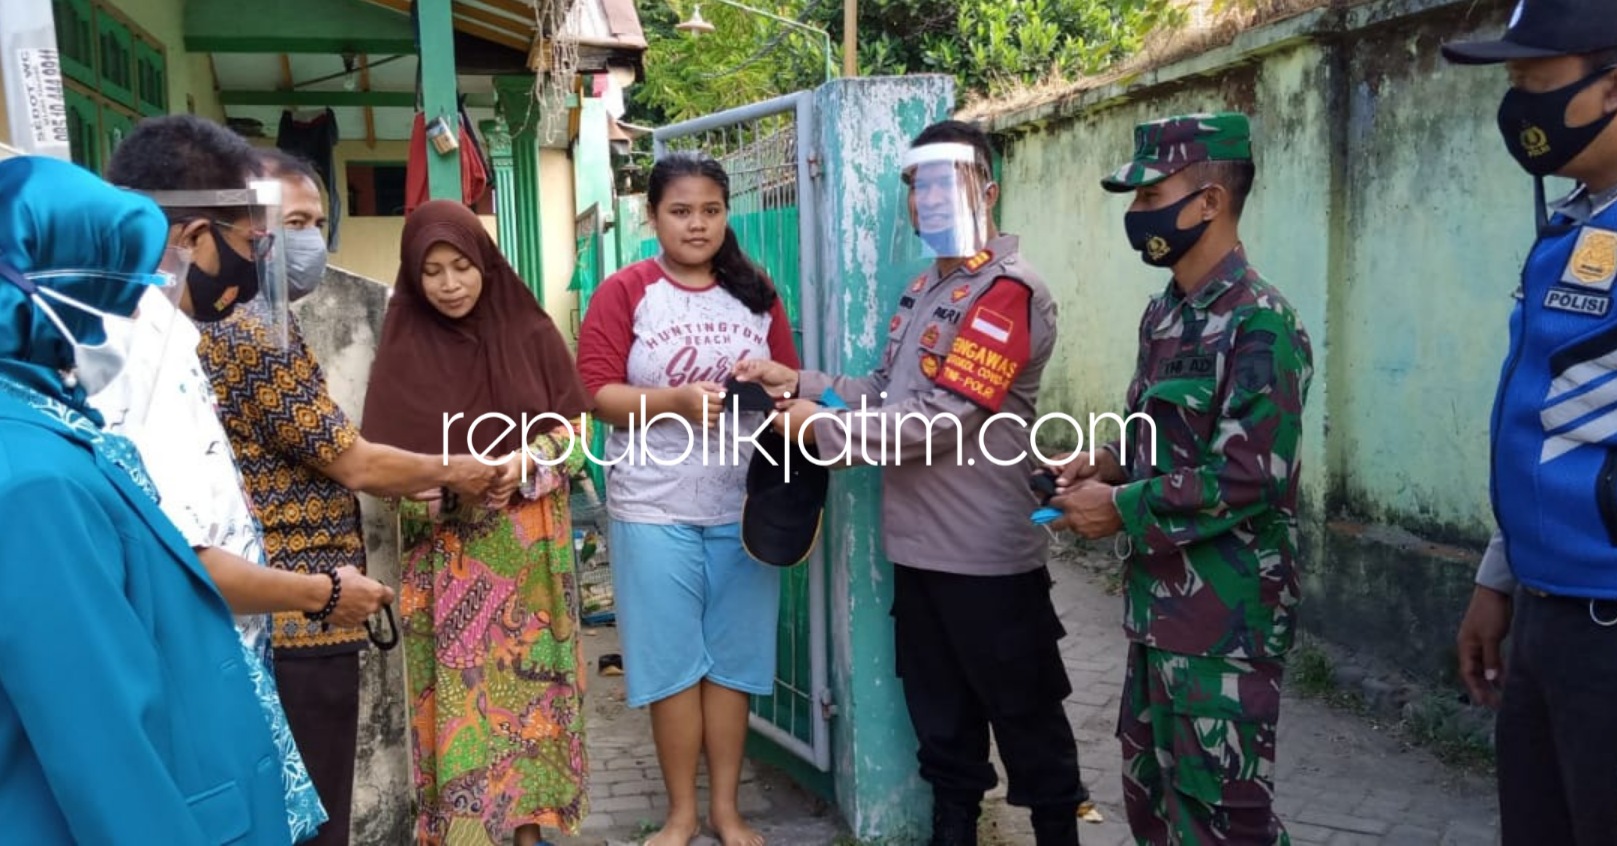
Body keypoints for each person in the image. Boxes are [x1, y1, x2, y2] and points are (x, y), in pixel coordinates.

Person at [104, 114, 510, 846]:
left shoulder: (183, 334)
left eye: (313, 225)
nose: (289, 247)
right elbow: (350, 462)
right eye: (270, 231)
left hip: (255, 618)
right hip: (286, 618)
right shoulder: (229, 336)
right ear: (194, 234)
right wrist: (453, 474)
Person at [735, 120, 1083, 846]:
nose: (927, 201)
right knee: (942, 725)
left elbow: (942, 417)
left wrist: (817, 430)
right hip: (918, 550)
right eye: (917, 188)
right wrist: (798, 382)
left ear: (988, 191)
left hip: (985, 555)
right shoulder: (925, 288)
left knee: (1026, 720)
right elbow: (880, 392)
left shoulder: (1007, 292)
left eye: (945, 185)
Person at [93, 120, 390, 845]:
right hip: (197, 668)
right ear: (195, 237)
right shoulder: (142, 363)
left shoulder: (165, 339)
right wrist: (324, 593)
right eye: (256, 242)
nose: (265, 261)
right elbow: (183, 562)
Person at [0, 154, 295, 844]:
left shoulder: (49, 429)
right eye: (121, 292)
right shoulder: (33, 482)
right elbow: (103, 748)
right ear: (52, 289)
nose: (140, 314)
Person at [1045, 112, 1312, 845]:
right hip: (1156, 612)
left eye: (1150, 196)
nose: (1137, 215)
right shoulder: (1166, 314)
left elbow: (1249, 475)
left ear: (1209, 202)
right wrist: (1106, 461)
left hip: (1225, 622)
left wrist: (1121, 507)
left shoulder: (1261, 323)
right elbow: (1157, 433)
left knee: (1223, 820)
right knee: (1154, 805)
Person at [576, 151, 799, 846]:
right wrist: (671, 402)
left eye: (710, 210)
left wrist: (773, 380)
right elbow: (595, 393)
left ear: (726, 214)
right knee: (672, 668)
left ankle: (726, 812)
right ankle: (680, 814)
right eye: (679, 211)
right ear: (652, 217)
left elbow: (789, 386)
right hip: (652, 507)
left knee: (732, 667)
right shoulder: (625, 291)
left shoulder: (756, 293)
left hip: (743, 506)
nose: (696, 224)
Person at [360, 200, 593, 846]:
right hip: (448, 571)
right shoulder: (404, 352)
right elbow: (381, 473)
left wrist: (522, 463)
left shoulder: (530, 332)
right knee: (463, 713)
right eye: (431, 270)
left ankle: (529, 835)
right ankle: (468, 836)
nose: (449, 284)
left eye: (461, 265)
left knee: (532, 709)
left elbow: (576, 436)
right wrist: (444, 485)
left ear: (485, 264)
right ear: (413, 276)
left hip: (530, 565)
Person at [1442, 3, 1617, 843]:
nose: (1517, 109)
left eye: (1533, 82)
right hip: (1551, 614)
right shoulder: (1574, 222)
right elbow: (1549, 421)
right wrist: (1499, 579)